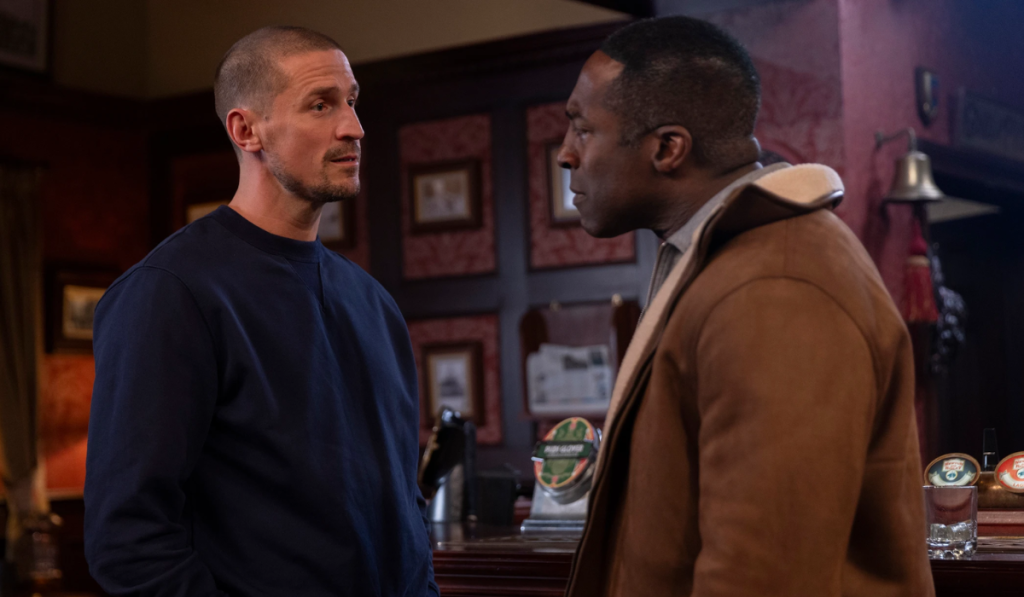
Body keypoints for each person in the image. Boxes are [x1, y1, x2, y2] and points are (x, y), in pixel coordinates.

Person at [558, 17, 935, 597]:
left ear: (667, 148)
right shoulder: (729, 263)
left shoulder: (778, 285)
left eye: (583, 129)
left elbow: (767, 573)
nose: (566, 154)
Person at [84, 26, 437, 596]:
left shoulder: (373, 302)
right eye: (321, 105)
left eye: (351, 102)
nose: (353, 127)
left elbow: (404, 505)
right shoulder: (169, 293)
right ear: (246, 130)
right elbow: (128, 539)